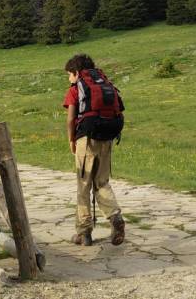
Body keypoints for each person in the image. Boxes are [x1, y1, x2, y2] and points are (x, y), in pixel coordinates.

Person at [62, 53, 126, 246]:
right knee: (102, 182)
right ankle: (115, 218)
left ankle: (84, 232)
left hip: (86, 139)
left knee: (84, 184)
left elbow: (71, 119)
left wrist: (71, 139)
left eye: (69, 74)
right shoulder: (106, 85)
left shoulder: (76, 89)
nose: (69, 78)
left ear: (76, 72)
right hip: (106, 137)